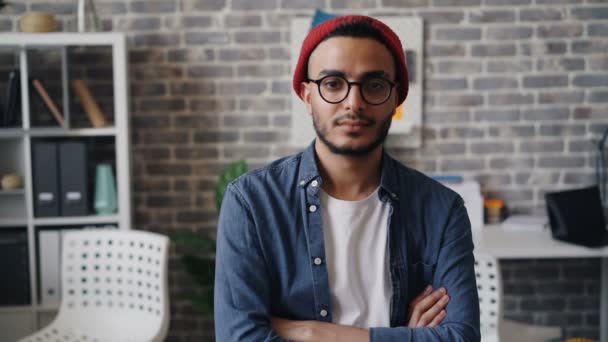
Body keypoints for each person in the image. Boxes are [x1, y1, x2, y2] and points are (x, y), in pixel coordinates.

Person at [214, 15, 480, 341]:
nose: (354, 103)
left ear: (397, 98)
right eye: (333, 84)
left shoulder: (442, 209)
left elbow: (461, 337)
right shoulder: (252, 202)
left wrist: (312, 333)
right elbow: (239, 338)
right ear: (306, 95)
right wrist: (401, 337)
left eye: (375, 85)